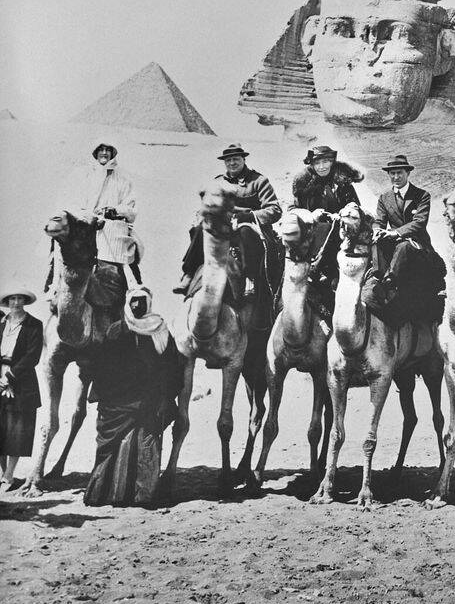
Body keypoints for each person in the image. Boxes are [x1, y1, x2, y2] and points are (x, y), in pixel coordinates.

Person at [84, 286, 182, 507]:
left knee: (145, 446)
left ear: (149, 303)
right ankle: (105, 494)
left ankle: (142, 496)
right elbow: (103, 368)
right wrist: (105, 397)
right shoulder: (116, 330)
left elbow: (171, 365)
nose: (137, 305)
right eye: (133, 301)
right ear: (127, 304)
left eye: (142, 300)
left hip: (149, 400)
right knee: (110, 447)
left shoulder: (159, 329)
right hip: (117, 402)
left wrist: (166, 397)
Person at [174, 143, 282, 299]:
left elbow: (274, 210)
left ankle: (250, 277)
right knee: (199, 229)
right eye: (228, 160)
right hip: (224, 226)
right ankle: (189, 273)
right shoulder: (217, 182)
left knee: (245, 232)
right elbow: (206, 206)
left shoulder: (259, 181)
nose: (232, 163)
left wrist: (250, 216)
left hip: (250, 226)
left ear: (243, 159)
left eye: (236, 159)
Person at [47, 139, 141, 296]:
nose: (104, 153)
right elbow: (69, 201)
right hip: (83, 224)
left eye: (108, 149)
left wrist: (114, 210)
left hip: (109, 226)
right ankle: (54, 285)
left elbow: (130, 208)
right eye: (101, 149)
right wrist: (84, 215)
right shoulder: (81, 175)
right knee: (61, 245)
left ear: (112, 153)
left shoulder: (123, 179)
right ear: (95, 152)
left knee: (127, 250)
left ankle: (133, 288)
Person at [364, 155, 445, 324]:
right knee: (376, 242)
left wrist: (396, 233)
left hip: (417, 244)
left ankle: (388, 283)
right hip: (394, 242)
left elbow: (419, 222)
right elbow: (379, 221)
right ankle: (377, 277)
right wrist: (377, 230)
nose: (396, 177)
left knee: (404, 247)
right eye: (392, 173)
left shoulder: (421, 195)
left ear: (407, 173)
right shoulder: (384, 198)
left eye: (399, 173)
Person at [290, 145, 364, 289]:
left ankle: (321, 270)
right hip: (312, 231)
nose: (322, 167)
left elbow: (355, 207)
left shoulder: (342, 183)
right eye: (317, 163)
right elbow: (294, 209)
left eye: (325, 162)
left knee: (331, 229)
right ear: (312, 165)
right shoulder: (304, 185)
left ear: (332, 162)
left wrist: (343, 213)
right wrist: (310, 215)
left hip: (341, 230)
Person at [0, 287, 42, 491]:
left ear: (25, 301)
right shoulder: (1, 323)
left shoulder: (34, 325)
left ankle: (9, 476)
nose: (16, 302)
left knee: (16, 431)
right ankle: (3, 473)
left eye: (19, 299)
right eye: (12, 299)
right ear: (7, 301)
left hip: (21, 382)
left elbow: (32, 356)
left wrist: (9, 376)